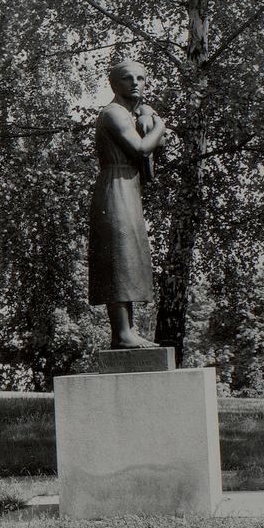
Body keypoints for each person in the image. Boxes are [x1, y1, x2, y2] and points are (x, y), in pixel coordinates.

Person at [88, 60, 166, 348]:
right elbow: (142, 148)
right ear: (114, 84)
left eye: (141, 78)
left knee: (129, 257)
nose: (135, 82)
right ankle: (122, 333)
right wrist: (159, 123)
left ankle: (127, 331)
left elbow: (150, 142)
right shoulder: (113, 113)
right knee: (119, 257)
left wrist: (146, 114)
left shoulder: (129, 113)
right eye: (127, 78)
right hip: (115, 186)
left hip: (128, 187)